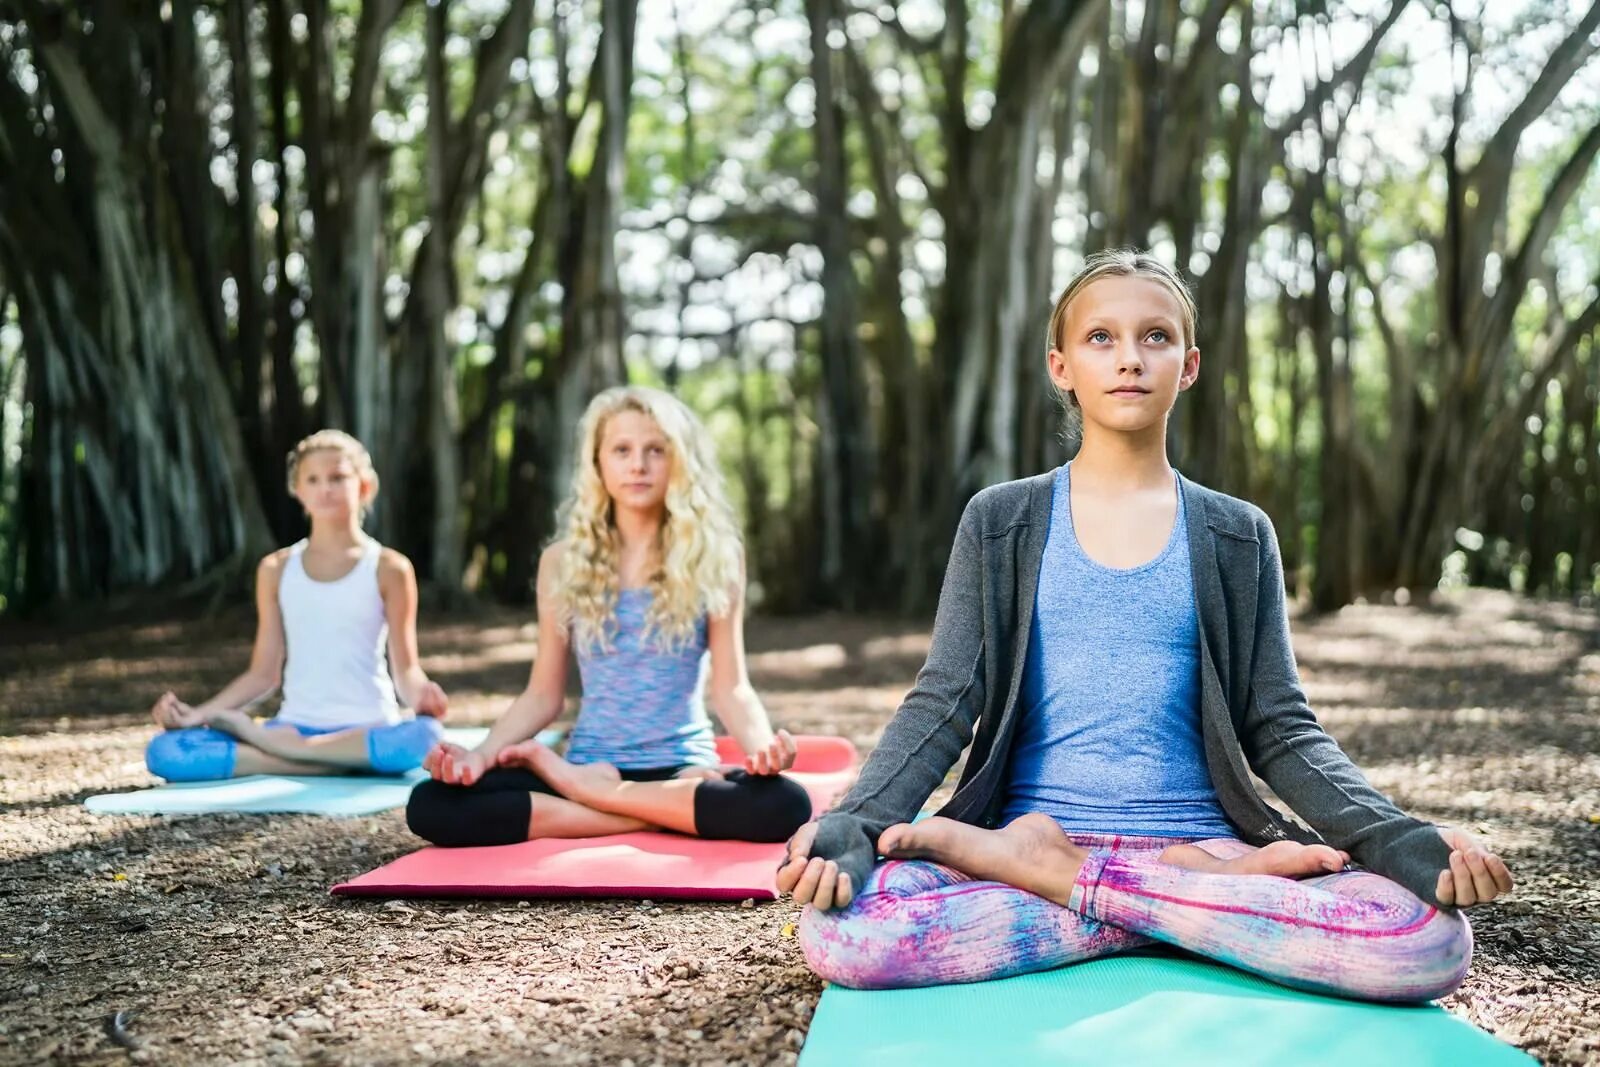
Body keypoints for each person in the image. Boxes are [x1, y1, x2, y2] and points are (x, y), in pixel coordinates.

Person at [778, 249, 1513, 1000]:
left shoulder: (1236, 533)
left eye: (1155, 336)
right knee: (848, 928)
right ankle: (1182, 898)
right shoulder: (1001, 521)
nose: (1129, 357)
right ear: (1061, 365)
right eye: (1102, 338)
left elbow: (1281, 727)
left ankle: (1071, 878)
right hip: (1052, 830)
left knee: (1425, 939)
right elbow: (943, 701)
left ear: (1188, 365)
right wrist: (861, 823)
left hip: (1184, 841)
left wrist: (1393, 836)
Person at [406, 385, 812, 847]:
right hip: (594, 762)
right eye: (622, 450)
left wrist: (762, 749)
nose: (637, 464)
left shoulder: (716, 556)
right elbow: (543, 695)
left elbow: (730, 686)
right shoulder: (562, 561)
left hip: (680, 766)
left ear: (678, 461)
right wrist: (479, 756)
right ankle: (649, 813)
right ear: (598, 463)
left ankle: (590, 800)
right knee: (431, 803)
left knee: (786, 805)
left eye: (655, 450)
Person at [145, 430, 448, 780]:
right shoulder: (276, 569)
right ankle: (326, 762)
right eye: (313, 480)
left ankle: (283, 757)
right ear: (298, 492)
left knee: (425, 736)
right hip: (292, 729)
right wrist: (200, 714)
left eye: (338, 477)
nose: (325, 488)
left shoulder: (390, 568)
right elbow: (263, 673)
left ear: (364, 487)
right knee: (165, 751)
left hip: (367, 730)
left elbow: (406, 670)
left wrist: (422, 696)